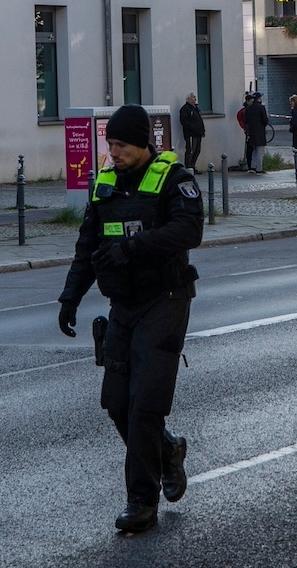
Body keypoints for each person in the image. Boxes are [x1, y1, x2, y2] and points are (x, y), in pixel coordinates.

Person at [55, 104, 204, 534]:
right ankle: (167, 450)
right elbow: (88, 246)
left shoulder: (174, 180)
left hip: (165, 300)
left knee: (144, 404)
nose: (113, 153)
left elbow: (189, 231)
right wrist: (70, 297)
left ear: (142, 144)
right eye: (110, 144)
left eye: (120, 145)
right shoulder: (106, 184)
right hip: (123, 305)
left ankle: (141, 501)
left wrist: (131, 248)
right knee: (118, 403)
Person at [241, 92, 271, 174]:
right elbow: (265, 120)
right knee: (260, 151)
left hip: (251, 132)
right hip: (259, 132)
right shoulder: (261, 107)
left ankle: (252, 167)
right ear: (259, 98)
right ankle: (259, 168)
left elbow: (246, 120)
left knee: (254, 150)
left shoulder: (248, 108)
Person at [178, 93, 205, 174]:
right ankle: (189, 168)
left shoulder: (195, 108)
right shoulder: (185, 109)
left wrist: (202, 130)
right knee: (191, 150)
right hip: (191, 134)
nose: (195, 99)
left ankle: (193, 166)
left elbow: (199, 120)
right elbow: (184, 122)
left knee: (197, 150)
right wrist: (194, 128)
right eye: (193, 97)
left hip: (198, 133)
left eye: (195, 97)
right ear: (188, 99)